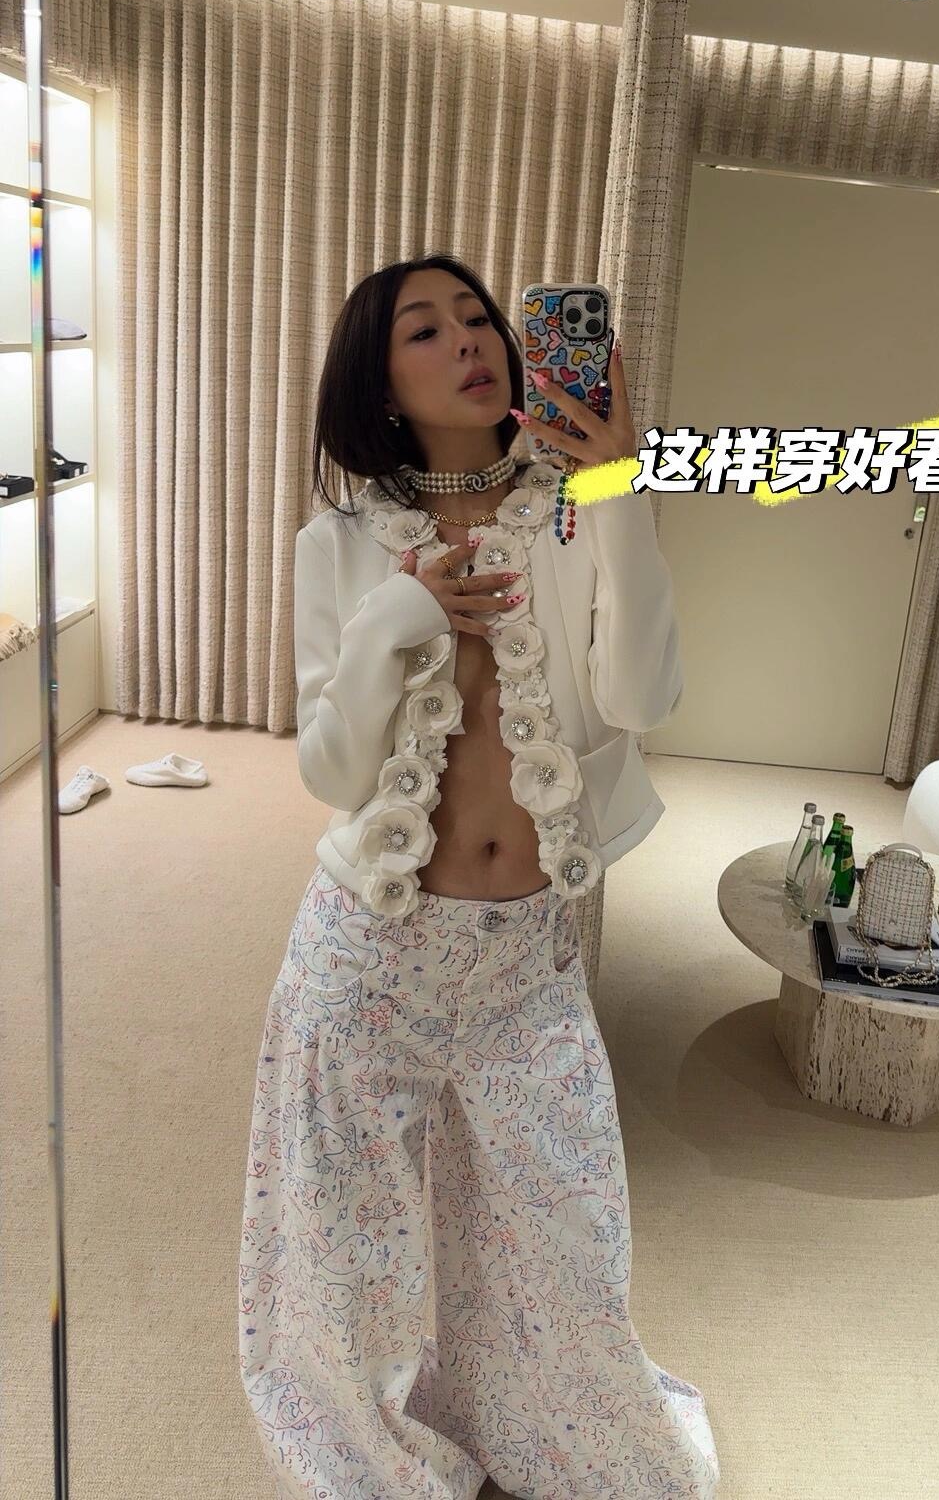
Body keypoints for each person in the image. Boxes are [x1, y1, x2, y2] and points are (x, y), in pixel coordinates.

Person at [237, 254, 720, 1498]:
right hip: (368, 954)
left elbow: (642, 696)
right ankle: (379, 1451)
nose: (469, 339)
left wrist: (619, 488)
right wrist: (401, 616)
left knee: (565, 1242)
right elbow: (333, 772)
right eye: (425, 328)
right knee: (345, 1253)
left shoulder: (572, 512)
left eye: (478, 317)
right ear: (379, 382)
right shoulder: (340, 542)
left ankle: (532, 1422)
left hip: (523, 963)